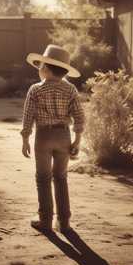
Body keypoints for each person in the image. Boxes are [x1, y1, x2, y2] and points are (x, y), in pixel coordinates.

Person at [21, 44, 85, 233]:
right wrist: (77, 140)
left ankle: (45, 221)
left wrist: (25, 139)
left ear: (46, 69)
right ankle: (64, 222)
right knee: (61, 178)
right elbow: (79, 117)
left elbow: (28, 117)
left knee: (42, 178)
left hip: (43, 136)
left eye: (40, 66)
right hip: (63, 135)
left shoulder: (35, 89)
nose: (39, 69)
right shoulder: (71, 90)